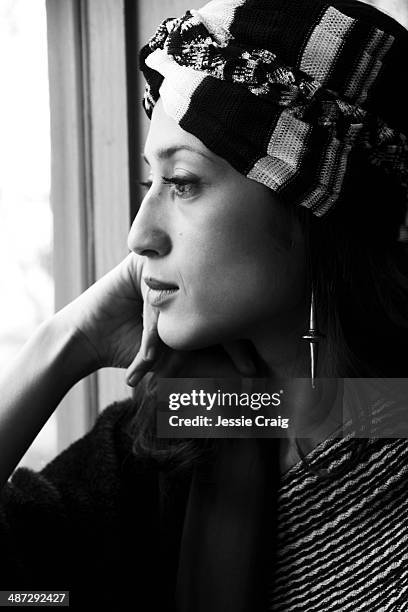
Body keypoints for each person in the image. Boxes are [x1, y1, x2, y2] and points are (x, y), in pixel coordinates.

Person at [1, 0, 408, 610]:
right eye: (150, 184)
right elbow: (27, 598)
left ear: (311, 204)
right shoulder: (186, 434)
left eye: (183, 183)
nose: (139, 238)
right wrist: (64, 344)